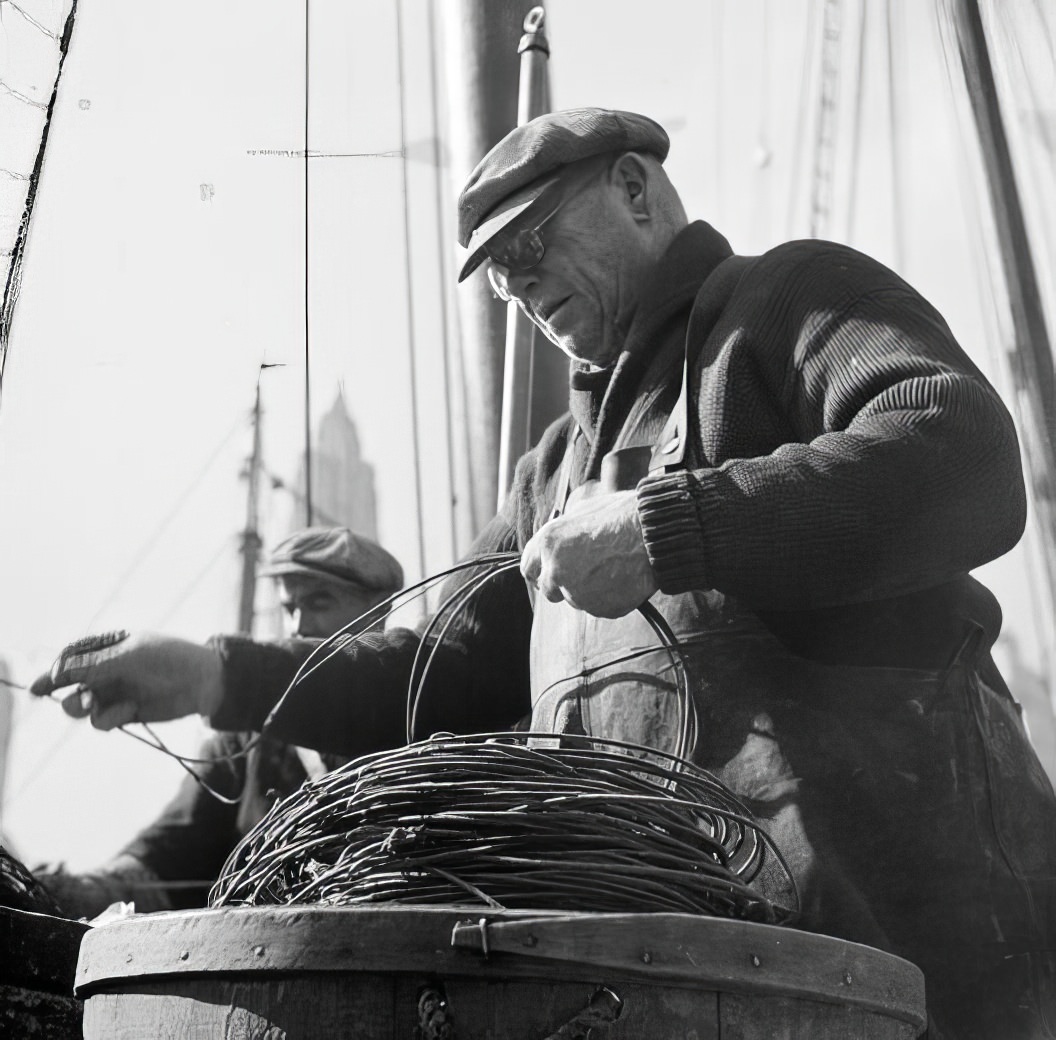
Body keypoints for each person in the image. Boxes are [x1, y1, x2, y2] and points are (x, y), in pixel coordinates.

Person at [32, 109, 1056, 1037]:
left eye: (533, 242)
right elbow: (435, 676)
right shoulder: (547, 477)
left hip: (934, 974)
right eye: (501, 271)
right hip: (703, 988)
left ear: (637, 191)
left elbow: (962, 454)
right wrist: (215, 676)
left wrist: (667, 526)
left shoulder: (787, 299)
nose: (519, 284)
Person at [36, 527, 403, 918]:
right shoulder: (247, 740)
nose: (299, 627)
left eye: (319, 602)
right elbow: (167, 857)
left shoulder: (419, 715)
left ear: (380, 609)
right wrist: (66, 892)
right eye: (290, 608)